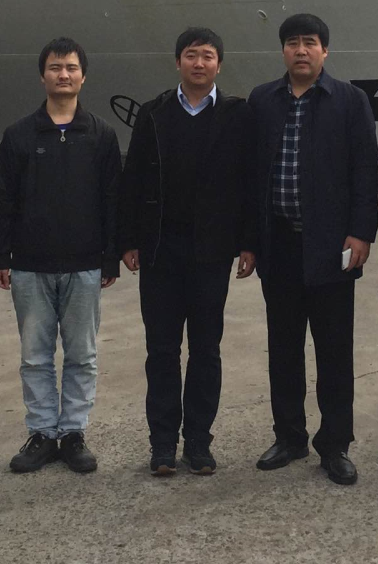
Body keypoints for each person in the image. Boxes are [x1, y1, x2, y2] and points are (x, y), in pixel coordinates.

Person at [118, 27, 257, 477]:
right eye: (192, 55)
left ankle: (198, 441)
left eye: (208, 56)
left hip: (211, 252)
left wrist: (248, 242)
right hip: (161, 250)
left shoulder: (237, 115)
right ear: (177, 61)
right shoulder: (154, 113)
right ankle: (162, 444)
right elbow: (133, 179)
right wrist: (129, 239)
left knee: (206, 350)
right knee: (161, 350)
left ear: (220, 64)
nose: (199, 63)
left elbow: (249, 182)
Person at [248, 13, 378, 487]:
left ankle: (335, 444)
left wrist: (362, 232)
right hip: (279, 244)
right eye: (292, 43)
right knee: (283, 347)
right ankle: (289, 437)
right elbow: (250, 172)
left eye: (310, 42)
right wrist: (250, 241)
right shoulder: (263, 100)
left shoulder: (349, 100)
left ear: (325, 50)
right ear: (283, 50)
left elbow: (365, 169)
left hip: (331, 246)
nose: (301, 50)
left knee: (333, 350)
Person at [0, 37, 122, 475]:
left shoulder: (101, 135)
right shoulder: (19, 135)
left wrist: (109, 257)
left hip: (85, 265)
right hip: (30, 265)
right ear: (42, 76)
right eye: (55, 67)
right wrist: (2, 255)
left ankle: (73, 433)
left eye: (70, 67)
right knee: (35, 355)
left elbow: (112, 200)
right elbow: (4, 198)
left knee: (82, 355)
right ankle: (42, 433)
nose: (63, 74)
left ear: (83, 76)